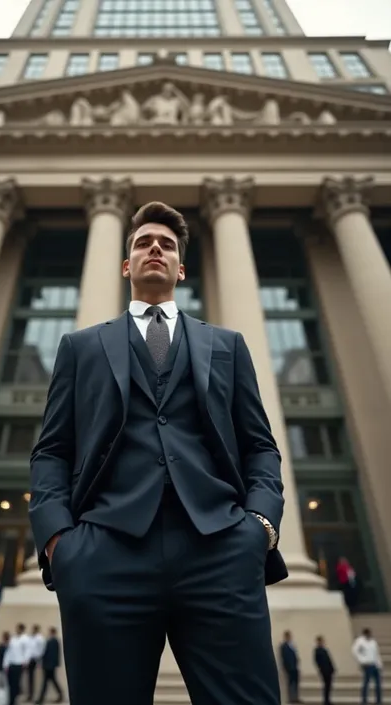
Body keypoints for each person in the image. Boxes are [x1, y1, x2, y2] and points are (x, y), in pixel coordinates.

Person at [29, 201, 287, 705]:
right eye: (144, 243)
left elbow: (260, 445)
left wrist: (259, 527)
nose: (155, 249)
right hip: (105, 555)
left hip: (220, 550)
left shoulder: (228, 345)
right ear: (127, 265)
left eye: (166, 245)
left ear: (180, 268)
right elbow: (52, 450)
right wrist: (61, 542)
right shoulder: (80, 347)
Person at [352, 628, 382, 704]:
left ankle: (378, 701)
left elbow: (376, 653)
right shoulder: (360, 641)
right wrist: (362, 662)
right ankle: (364, 700)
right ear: (365, 634)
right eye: (368, 634)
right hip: (367, 665)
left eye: (370, 633)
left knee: (378, 684)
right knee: (366, 683)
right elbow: (355, 652)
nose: (370, 635)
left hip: (375, 664)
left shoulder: (373, 641)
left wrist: (379, 664)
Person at [4, 623, 31, 705]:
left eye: (18, 628)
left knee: (15, 684)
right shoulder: (13, 638)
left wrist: (26, 661)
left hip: (19, 663)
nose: (17, 630)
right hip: (11, 663)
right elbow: (9, 651)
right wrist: (6, 664)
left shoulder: (25, 639)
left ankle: (13, 701)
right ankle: (11, 699)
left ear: (22, 629)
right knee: (10, 684)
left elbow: (28, 651)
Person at [36, 628, 63, 705]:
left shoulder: (51, 642)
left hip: (48, 665)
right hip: (50, 665)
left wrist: (42, 661)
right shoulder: (55, 641)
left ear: (52, 633)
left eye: (49, 632)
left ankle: (41, 700)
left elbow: (47, 653)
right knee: (53, 680)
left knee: (45, 682)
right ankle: (60, 695)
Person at [280, 631, 301, 704]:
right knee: (290, 683)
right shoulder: (283, 646)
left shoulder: (292, 645)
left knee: (296, 682)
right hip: (289, 668)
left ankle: (296, 697)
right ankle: (291, 698)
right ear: (286, 637)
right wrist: (286, 667)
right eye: (288, 636)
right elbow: (284, 657)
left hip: (295, 667)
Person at [26, 625, 45, 703]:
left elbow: (41, 650)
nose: (32, 631)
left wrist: (38, 659)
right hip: (29, 659)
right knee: (29, 678)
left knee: (31, 678)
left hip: (34, 659)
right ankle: (30, 695)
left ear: (36, 630)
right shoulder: (31, 638)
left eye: (33, 629)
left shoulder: (40, 638)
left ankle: (31, 695)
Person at [314, 636, 335, 705]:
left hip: (329, 670)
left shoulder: (325, 650)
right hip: (324, 671)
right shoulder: (317, 650)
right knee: (326, 686)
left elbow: (329, 660)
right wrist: (321, 669)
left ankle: (328, 700)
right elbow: (317, 662)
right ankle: (326, 701)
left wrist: (332, 668)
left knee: (329, 686)